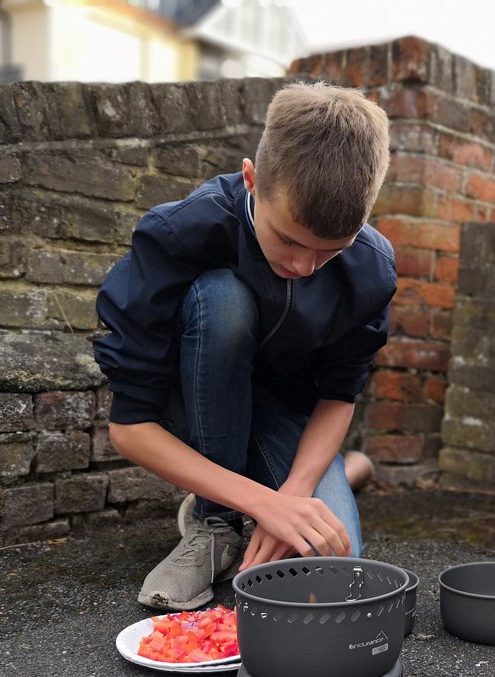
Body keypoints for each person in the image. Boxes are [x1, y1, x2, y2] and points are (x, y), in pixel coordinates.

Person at [94, 82, 395, 612]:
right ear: (252, 180)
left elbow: (338, 397)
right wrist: (262, 504)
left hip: (284, 414)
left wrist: (294, 496)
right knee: (223, 297)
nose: (304, 267)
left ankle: (338, 473)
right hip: (188, 401)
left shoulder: (370, 268)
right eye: (290, 240)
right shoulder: (179, 232)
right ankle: (215, 522)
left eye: (331, 251)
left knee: (332, 575)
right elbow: (129, 428)